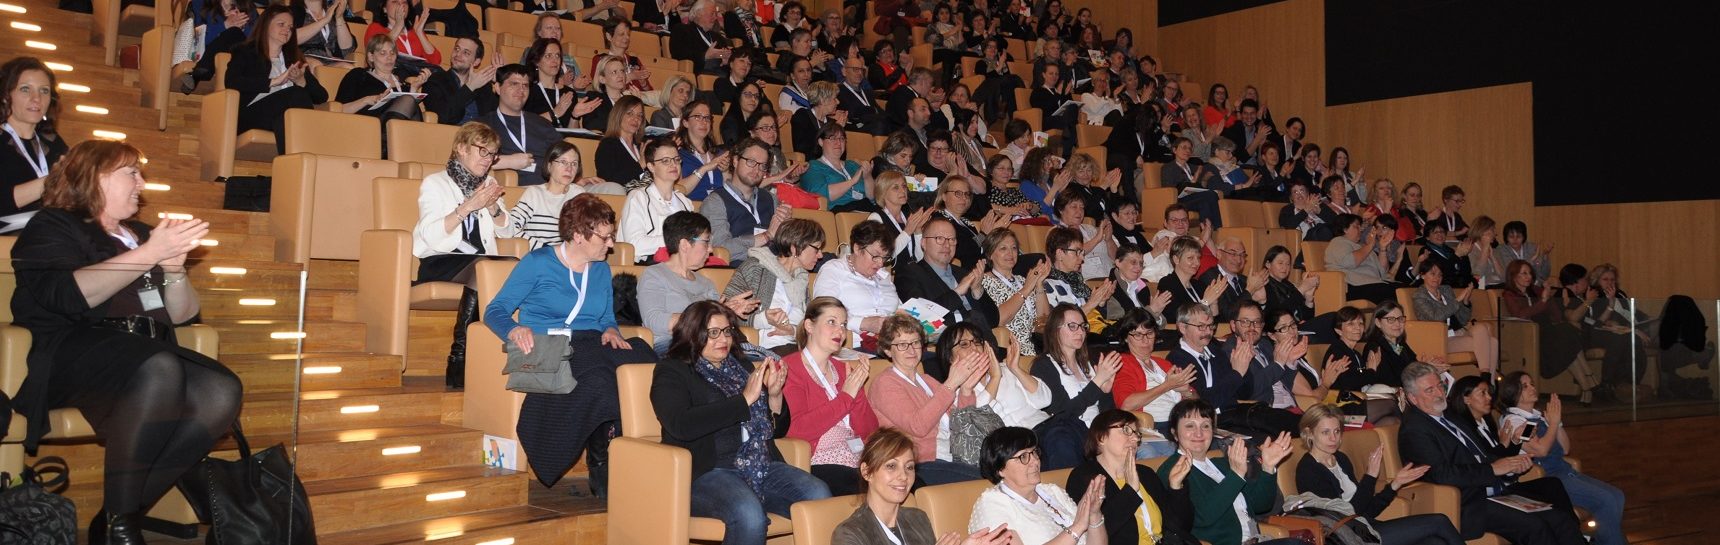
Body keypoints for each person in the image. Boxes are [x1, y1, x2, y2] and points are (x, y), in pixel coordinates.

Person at [10, 141, 241, 544]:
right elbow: (69, 296)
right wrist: (151, 253)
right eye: (131, 172)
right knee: (159, 368)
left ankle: (117, 517)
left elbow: (184, 315)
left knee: (223, 389)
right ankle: (121, 530)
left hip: (145, 352)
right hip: (73, 350)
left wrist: (174, 270)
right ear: (94, 177)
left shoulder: (144, 234)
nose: (142, 183)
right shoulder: (53, 224)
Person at [485, 193, 652, 496]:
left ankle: (633, 449)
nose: (611, 244)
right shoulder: (537, 263)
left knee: (645, 358)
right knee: (600, 379)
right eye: (604, 237)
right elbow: (495, 310)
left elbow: (605, 317)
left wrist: (611, 330)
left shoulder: (600, 268)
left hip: (590, 342)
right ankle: (602, 460)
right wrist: (514, 329)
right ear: (578, 235)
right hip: (551, 344)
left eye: (611, 236)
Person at [651, 300, 831, 545]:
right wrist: (743, 400)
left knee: (819, 494)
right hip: (706, 471)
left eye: (727, 331)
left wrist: (775, 396)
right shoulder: (672, 371)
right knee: (748, 515)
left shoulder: (741, 366)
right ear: (692, 333)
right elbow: (681, 424)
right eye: (713, 333)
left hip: (758, 463)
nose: (723, 339)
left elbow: (776, 431)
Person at [1397, 362, 1586, 544]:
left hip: (1491, 491)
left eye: (1440, 385)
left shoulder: (1450, 417)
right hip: (1468, 503)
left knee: (1559, 518)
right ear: (1412, 398)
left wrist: (1512, 455)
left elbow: (1483, 455)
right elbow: (1442, 474)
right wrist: (1493, 469)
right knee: (1535, 526)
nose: (1439, 393)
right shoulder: (1415, 430)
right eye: (1429, 390)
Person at [415, 122, 512, 388]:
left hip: (478, 262)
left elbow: (508, 230)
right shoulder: (435, 183)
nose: (489, 159)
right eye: (483, 151)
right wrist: (469, 206)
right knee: (485, 268)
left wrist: (492, 208)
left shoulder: (489, 183)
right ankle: (460, 357)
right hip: (440, 259)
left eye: (493, 154)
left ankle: (477, 357)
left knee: (511, 266)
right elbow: (430, 235)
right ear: (461, 148)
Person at [1294, 404, 1465, 545]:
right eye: (1325, 432)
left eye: (1337, 431)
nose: (1334, 438)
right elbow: (1345, 516)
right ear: (1310, 433)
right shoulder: (1309, 470)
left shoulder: (1340, 459)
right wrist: (1369, 477)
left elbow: (1368, 510)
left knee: (1435, 542)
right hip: (1347, 536)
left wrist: (1395, 484)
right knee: (1439, 521)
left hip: (1364, 526)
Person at [1496, 372, 1627, 545]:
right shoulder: (1514, 420)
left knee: (1617, 495)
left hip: (1565, 471)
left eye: (1532, 384)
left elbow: (1565, 448)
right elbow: (1541, 451)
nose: (1532, 388)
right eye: (1525, 386)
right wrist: (1553, 423)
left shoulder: (1537, 415)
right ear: (1513, 392)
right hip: (1547, 477)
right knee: (1606, 500)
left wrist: (1556, 423)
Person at [832, 427, 1014, 545]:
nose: (903, 476)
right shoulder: (849, 534)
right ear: (867, 472)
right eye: (891, 466)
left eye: (909, 467)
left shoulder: (917, 519)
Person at [1160, 400, 1297, 545]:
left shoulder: (1222, 464)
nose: (1199, 433)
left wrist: (1268, 467)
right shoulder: (1173, 471)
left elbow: (1261, 505)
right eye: (1190, 426)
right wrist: (1236, 475)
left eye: (1205, 426)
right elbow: (1200, 518)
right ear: (1175, 433)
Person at [869, 315, 987, 485]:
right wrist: (951, 384)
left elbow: (962, 424)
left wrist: (966, 390)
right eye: (902, 345)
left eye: (915, 342)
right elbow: (918, 427)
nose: (911, 350)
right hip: (921, 461)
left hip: (954, 453)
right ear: (888, 350)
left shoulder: (927, 380)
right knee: (990, 480)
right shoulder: (885, 383)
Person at [783, 296, 881, 495]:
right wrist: (846, 397)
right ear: (809, 326)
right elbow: (797, 430)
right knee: (862, 487)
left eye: (843, 324)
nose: (840, 331)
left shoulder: (844, 369)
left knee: (911, 481)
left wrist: (856, 395)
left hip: (856, 457)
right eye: (831, 322)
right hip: (818, 460)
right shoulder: (789, 369)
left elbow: (870, 431)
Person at [1066, 409, 1198, 544]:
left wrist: (1176, 488)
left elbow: (1182, 527)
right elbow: (1093, 533)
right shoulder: (1084, 478)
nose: (1135, 439)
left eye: (1137, 434)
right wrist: (1130, 490)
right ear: (1101, 437)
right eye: (1126, 430)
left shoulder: (1145, 474)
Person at [638, 212, 761, 352]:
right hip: (673, 346)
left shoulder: (706, 282)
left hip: (711, 344)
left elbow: (714, 325)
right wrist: (708, 315)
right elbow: (654, 321)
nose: (711, 249)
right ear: (684, 245)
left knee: (760, 358)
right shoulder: (654, 275)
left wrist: (727, 312)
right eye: (706, 242)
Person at [968, 427, 1111, 545]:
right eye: (1023, 456)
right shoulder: (992, 503)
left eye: (1034, 452)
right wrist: (1077, 527)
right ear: (1000, 468)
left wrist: (1094, 514)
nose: (1035, 461)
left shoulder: (1053, 492)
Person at [1030, 303, 1122, 470]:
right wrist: (1097, 384)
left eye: (1083, 326)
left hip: (1099, 434)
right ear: (1055, 330)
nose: (1080, 332)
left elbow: (1107, 412)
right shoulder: (1043, 366)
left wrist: (1105, 392)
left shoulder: (1090, 361)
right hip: (1072, 436)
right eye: (1072, 326)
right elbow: (1062, 414)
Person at [227, 4, 329, 154]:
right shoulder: (245, 52)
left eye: (290, 27)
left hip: (281, 117)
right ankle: (314, 153)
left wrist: (301, 81)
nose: (287, 29)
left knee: (286, 118)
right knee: (296, 95)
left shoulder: (294, 60)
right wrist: (272, 82)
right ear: (266, 25)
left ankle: (294, 164)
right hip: (250, 116)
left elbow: (322, 96)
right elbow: (232, 82)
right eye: (281, 24)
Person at [1500, 259, 1599, 403]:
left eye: (1530, 273)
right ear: (1514, 276)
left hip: (1549, 330)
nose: (1529, 277)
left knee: (1567, 336)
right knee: (1567, 335)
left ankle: (1586, 387)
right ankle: (1589, 377)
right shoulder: (1509, 294)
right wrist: (1543, 301)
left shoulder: (1536, 290)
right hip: (1531, 334)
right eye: (1524, 273)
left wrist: (1548, 297)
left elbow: (1557, 316)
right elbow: (1521, 315)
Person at [724, 217, 824, 351]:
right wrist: (764, 319)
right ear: (795, 248)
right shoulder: (755, 267)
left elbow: (809, 329)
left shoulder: (801, 280)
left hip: (796, 349)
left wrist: (792, 331)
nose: (820, 255)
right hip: (763, 349)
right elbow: (724, 316)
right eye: (816, 249)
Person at [894, 215, 1000, 334]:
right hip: (947, 340)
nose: (947, 245)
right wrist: (957, 292)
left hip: (980, 339)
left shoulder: (963, 274)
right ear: (923, 243)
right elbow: (921, 320)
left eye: (952, 239)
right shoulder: (909, 274)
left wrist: (977, 290)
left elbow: (993, 321)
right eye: (939, 238)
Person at [1106, 309, 1191, 456]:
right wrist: (1167, 386)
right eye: (1138, 335)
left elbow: (1195, 399)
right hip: (1153, 426)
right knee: (1163, 451)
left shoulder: (1163, 364)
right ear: (1126, 338)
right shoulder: (1123, 363)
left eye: (1149, 333)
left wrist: (1187, 392)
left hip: (1180, 423)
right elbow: (1126, 404)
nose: (1145, 340)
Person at [0, 58, 66, 233]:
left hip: (50, 233)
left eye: (44, 91)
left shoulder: (53, 142)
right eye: (25, 89)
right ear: (5, 96)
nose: (37, 98)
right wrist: (55, 179)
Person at [501, 141, 597, 249]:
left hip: (569, 255)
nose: (569, 169)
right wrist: (545, 249)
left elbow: (590, 231)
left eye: (574, 163)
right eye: (563, 162)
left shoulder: (579, 194)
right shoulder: (534, 194)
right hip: (539, 253)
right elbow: (510, 228)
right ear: (549, 165)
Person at [336, 35, 427, 148]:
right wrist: (367, 100)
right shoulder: (358, 75)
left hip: (397, 135)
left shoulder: (403, 84)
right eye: (383, 53)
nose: (389, 58)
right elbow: (338, 110)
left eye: (392, 53)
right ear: (371, 56)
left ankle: (400, 150)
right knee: (407, 100)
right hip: (367, 128)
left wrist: (414, 89)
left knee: (409, 101)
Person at [1412, 260, 1499, 375]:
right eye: (1432, 274)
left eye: (1440, 275)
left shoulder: (1446, 290)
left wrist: (1465, 302)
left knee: (1483, 330)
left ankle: (1486, 377)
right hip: (1441, 339)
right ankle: (1487, 379)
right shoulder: (1419, 296)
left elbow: (1463, 319)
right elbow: (1436, 317)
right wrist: (1457, 300)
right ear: (1423, 275)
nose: (1437, 278)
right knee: (1491, 343)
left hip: (1458, 333)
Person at [480, 64, 562, 186]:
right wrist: (508, 161)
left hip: (551, 187)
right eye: (514, 84)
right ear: (497, 88)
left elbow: (565, 155)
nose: (521, 90)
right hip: (512, 188)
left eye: (525, 85)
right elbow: (469, 161)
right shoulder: (483, 125)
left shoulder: (543, 124)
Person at [619, 138, 697, 261]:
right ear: (651, 166)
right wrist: (677, 239)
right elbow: (634, 244)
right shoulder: (638, 197)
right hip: (650, 264)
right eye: (666, 161)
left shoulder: (685, 202)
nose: (673, 165)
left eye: (676, 159)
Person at [980, 228, 1051, 356]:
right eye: (1003, 248)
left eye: (1014, 248)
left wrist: (1039, 284)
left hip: (1038, 347)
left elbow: (1044, 319)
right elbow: (998, 319)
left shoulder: (1023, 280)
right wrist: (1026, 289)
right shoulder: (984, 282)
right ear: (990, 254)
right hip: (1013, 349)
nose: (1010, 253)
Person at [1583, 264, 1651, 393]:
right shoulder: (1594, 295)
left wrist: (1643, 323)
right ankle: (1607, 383)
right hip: (1598, 333)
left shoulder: (1620, 295)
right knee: (1620, 339)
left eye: (1612, 279)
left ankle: (1631, 383)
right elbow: (1600, 323)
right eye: (1605, 279)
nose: (1609, 283)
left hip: (1622, 331)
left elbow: (1634, 314)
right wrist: (1611, 304)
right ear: (1597, 280)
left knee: (1633, 340)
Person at [1324, 213, 1399, 304]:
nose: (1361, 229)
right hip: (1352, 286)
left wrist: (1383, 248)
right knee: (1396, 292)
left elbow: (1382, 271)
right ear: (1345, 229)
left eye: (1360, 226)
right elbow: (1350, 262)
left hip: (1372, 284)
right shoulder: (1338, 242)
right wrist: (1370, 245)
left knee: (1406, 289)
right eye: (1356, 226)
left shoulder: (1362, 246)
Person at [521, 38, 596, 128]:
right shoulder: (526, 91)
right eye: (548, 56)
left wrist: (574, 116)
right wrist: (555, 113)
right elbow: (523, 125)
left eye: (557, 55)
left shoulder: (569, 93)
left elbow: (572, 133)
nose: (555, 60)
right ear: (536, 61)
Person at [423, 36, 498, 125]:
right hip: (451, 131)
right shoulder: (436, 80)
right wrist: (469, 88)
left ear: (476, 62)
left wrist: (502, 83)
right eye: (457, 49)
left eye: (466, 53)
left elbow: (498, 117)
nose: (458, 54)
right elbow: (443, 117)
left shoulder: (484, 86)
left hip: (481, 132)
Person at [1042, 226, 1117, 314]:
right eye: (1077, 252)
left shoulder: (1077, 282)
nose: (1082, 258)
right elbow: (1057, 321)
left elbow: (1094, 316)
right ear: (1060, 254)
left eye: (1082, 252)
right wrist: (1090, 304)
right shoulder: (1047, 286)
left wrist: (1101, 302)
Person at [801, 123, 873, 212]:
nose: (838, 143)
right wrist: (852, 181)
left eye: (842, 139)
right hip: (840, 211)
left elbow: (873, 198)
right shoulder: (813, 166)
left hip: (866, 208)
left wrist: (868, 177)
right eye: (833, 138)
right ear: (821, 142)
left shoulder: (852, 165)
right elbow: (820, 195)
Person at [1050, 188, 1113, 281]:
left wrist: (1109, 240)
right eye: (1074, 207)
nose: (1079, 211)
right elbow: (1072, 253)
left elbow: (1117, 257)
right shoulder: (1057, 232)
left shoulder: (1091, 229)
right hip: (1087, 281)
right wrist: (1097, 239)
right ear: (1061, 209)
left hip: (1110, 277)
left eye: (1082, 207)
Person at [363, 0, 440, 67]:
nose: (401, 5)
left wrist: (420, 33)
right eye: (395, 1)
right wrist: (398, 26)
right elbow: (377, 53)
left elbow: (436, 61)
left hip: (417, 74)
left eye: (404, 2)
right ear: (385, 9)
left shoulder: (415, 31)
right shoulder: (375, 28)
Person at [595, 95, 648, 186]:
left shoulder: (641, 146)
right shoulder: (608, 145)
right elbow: (609, 181)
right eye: (630, 113)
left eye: (640, 115)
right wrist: (640, 165)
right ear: (618, 115)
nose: (636, 119)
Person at [670, 0, 733, 74]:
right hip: (696, 74)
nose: (715, 18)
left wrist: (726, 61)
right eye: (712, 14)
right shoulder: (682, 30)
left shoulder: (718, 38)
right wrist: (705, 56)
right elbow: (680, 56)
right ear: (698, 13)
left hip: (720, 75)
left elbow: (723, 58)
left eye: (716, 14)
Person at [594, 19, 655, 94]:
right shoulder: (601, 59)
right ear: (609, 36)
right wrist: (630, 76)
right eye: (621, 34)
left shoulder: (634, 60)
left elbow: (650, 92)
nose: (627, 37)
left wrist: (643, 83)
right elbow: (599, 87)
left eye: (628, 34)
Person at [1496, 221, 1554, 285]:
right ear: (1506, 238)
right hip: (1513, 284)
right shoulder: (1501, 249)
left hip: (1533, 283)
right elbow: (1513, 272)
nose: (1515, 240)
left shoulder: (1532, 247)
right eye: (1511, 237)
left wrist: (1545, 255)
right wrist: (1532, 259)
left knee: (1554, 282)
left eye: (1518, 236)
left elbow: (1544, 275)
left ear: (1524, 237)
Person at [1463, 216, 1504, 288]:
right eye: (1492, 230)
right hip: (1482, 288)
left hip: (1499, 286)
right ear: (1482, 232)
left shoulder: (1495, 251)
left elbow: (1504, 277)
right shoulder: (1469, 250)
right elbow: (1478, 274)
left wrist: (1493, 258)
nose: (1495, 233)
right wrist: (1485, 249)